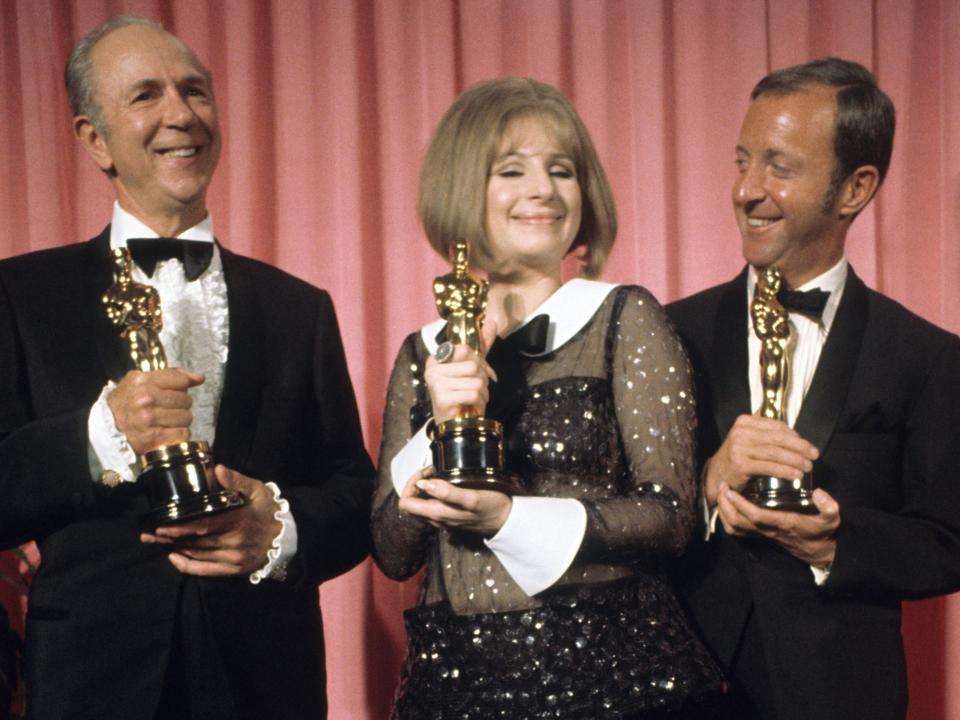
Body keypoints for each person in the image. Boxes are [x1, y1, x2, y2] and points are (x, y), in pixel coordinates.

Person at [0, 16, 374, 720]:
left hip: (267, 679)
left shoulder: (301, 307)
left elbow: (356, 495)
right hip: (92, 680)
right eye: (146, 95)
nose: (181, 114)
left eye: (195, 91)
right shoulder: (20, 295)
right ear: (94, 139)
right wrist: (98, 436)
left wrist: (279, 531)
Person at [372, 77, 722, 719]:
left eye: (561, 171)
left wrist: (509, 519)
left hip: (610, 680)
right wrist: (443, 427)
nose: (542, 190)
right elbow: (393, 552)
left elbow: (671, 517)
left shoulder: (623, 317)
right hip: (454, 688)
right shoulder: (423, 351)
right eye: (511, 170)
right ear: (461, 188)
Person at [667, 58, 960, 720]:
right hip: (681, 691)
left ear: (854, 189)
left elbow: (948, 541)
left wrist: (835, 542)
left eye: (779, 167)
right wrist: (707, 484)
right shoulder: (666, 332)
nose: (746, 189)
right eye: (743, 161)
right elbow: (615, 511)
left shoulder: (927, 357)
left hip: (842, 695)